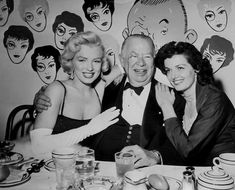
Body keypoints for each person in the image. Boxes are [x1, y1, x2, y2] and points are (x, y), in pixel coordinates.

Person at [34, 34, 185, 167]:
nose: (141, 63)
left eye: (147, 56)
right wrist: (42, 99)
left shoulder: (172, 97)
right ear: (122, 60)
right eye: (133, 56)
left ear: (154, 60)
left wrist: (156, 156)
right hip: (94, 172)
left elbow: (184, 145)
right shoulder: (102, 88)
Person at [123, 41, 235, 166]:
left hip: (222, 175)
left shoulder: (215, 100)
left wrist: (167, 108)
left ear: (196, 67)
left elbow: (189, 151)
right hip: (195, 172)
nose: (174, 76)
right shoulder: (178, 98)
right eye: (168, 70)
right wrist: (155, 155)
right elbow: (175, 142)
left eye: (180, 68)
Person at [30, 31, 120, 155]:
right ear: (71, 61)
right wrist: (89, 129)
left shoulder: (100, 88)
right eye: (82, 60)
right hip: (54, 168)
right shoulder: (57, 90)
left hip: (87, 169)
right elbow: (38, 146)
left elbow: (128, 64)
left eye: (96, 61)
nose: (90, 68)